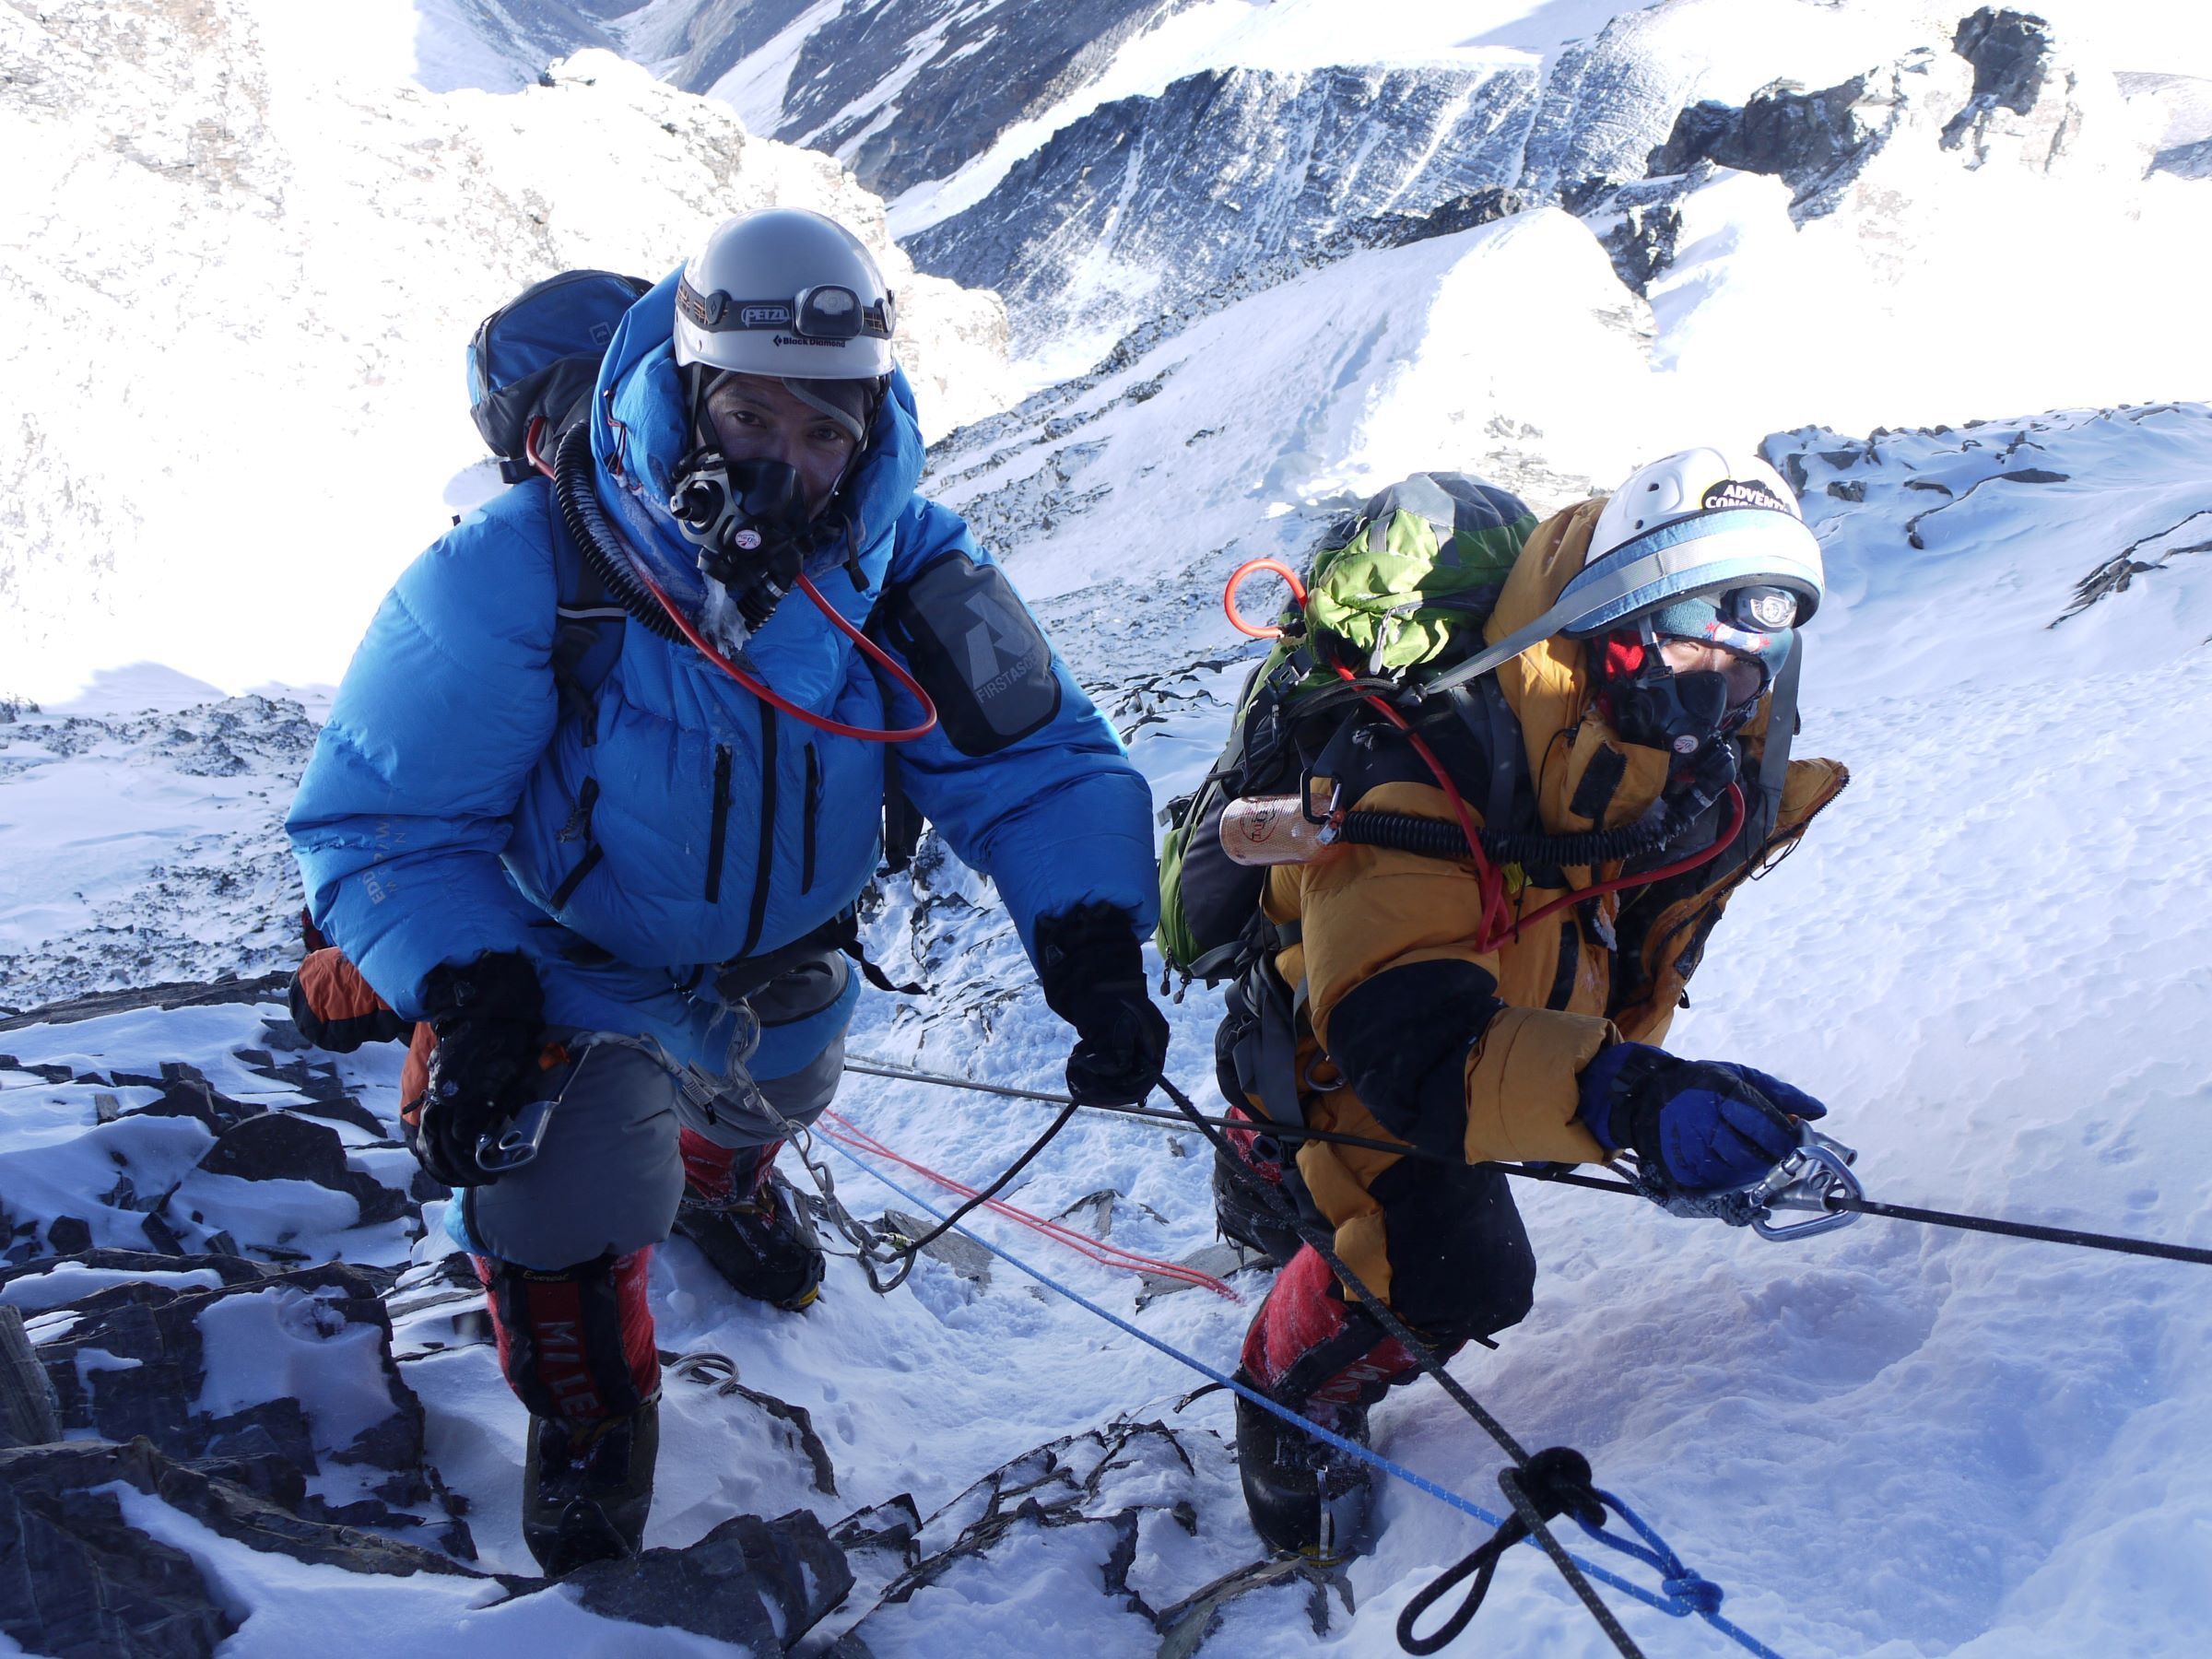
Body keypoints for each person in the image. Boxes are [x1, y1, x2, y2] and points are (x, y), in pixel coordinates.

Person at [285, 208, 1168, 1573]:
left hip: (785, 958)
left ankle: (719, 1183)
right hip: (561, 970)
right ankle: (589, 1413)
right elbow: (388, 819)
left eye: (828, 435)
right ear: (691, 396)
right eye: (756, 419)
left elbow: (1032, 764)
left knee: (787, 1088)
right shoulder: (530, 565)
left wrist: (1091, 933)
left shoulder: (904, 565)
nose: (793, 468)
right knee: (551, 1211)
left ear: (869, 430)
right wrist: (467, 985)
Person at [1206, 450, 1849, 1559]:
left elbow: (1622, 959)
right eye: (1695, 636)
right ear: (1615, 619)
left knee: (1412, 1171)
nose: (1719, 684)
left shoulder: (1684, 772)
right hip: (1349, 1042)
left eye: (1751, 659)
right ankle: (1283, 1406)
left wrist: (1629, 1087)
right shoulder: (1421, 758)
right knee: (1455, 1271)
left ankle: (1266, 1175)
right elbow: (1403, 1041)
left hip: (1489, 1030)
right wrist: (1628, 1100)